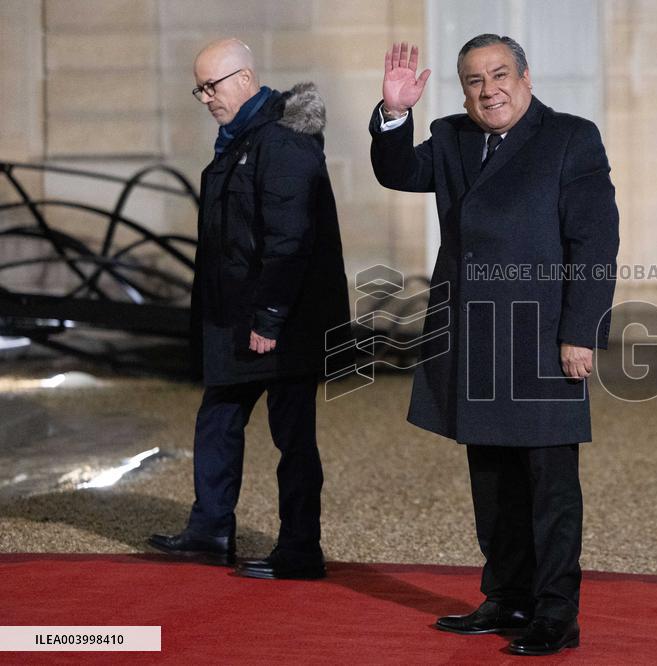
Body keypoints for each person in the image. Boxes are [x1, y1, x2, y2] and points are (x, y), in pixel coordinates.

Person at [369, 35, 619, 656]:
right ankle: (507, 596)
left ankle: (557, 612)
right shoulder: (453, 138)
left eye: (500, 75)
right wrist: (394, 114)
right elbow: (397, 171)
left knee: (549, 486)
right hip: (474, 335)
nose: (489, 90)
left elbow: (595, 243)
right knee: (492, 479)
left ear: (526, 78)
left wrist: (579, 333)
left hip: (541, 340)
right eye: (475, 81)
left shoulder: (570, 137)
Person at [148, 38, 352, 580]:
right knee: (219, 417)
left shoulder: (280, 142)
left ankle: (300, 550)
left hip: (280, 323)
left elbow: (290, 239)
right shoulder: (242, 137)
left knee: (291, 437)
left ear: (244, 78)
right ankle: (211, 529)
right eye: (199, 88)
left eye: (210, 86)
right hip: (241, 318)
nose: (205, 98)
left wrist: (270, 318)